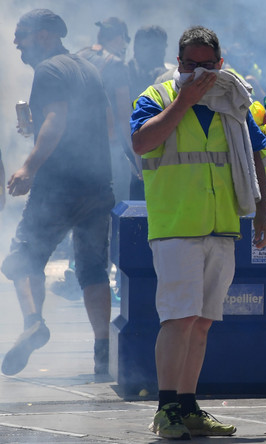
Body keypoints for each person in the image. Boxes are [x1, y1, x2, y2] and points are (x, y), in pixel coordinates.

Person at [130, 25, 266, 439]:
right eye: (190, 64)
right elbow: (141, 142)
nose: (198, 72)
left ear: (220, 64)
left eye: (206, 65)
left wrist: (262, 214)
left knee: (203, 321)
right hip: (176, 226)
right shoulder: (156, 97)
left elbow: (254, 156)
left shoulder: (233, 101)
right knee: (179, 317)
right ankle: (166, 408)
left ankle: (189, 405)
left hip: (221, 223)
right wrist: (183, 102)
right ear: (178, 63)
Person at [1, 9, 115, 377]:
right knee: (93, 268)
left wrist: (29, 167)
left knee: (22, 256)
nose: (16, 42)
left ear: (45, 35)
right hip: (98, 185)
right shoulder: (87, 68)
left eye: (23, 35)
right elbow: (108, 126)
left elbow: (58, 120)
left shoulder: (48, 71)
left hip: (59, 186)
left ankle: (33, 322)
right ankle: (102, 349)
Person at [77, 17, 136, 204]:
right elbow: (125, 117)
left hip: (76, 151)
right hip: (109, 152)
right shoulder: (116, 64)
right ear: (118, 38)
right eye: (124, 39)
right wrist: (137, 159)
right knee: (115, 212)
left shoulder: (77, 57)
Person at [126, 25, 169, 200]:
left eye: (159, 46)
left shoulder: (169, 76)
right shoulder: (123, 72)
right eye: (148, 46)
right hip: (127, 157)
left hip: (161, 159)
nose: (154, 52)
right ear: (136, 47)